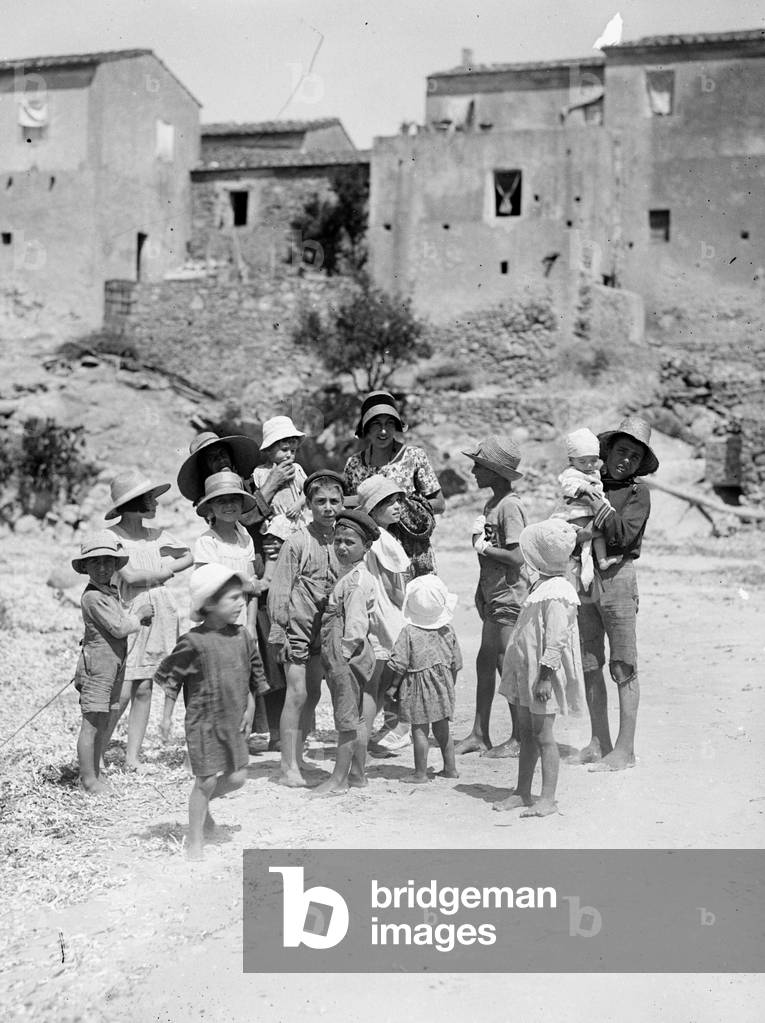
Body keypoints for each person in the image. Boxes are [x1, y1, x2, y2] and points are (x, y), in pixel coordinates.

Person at [155, 565, 268, 860]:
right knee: (205, 780)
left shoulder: (242, 636)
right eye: (232, 599)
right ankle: (195, 840)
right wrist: (166, 716)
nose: (241, 603)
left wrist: (251, 706)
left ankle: (201, 807)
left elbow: (252, 673)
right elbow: (173, 677)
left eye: (241, 597)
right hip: (203, 722)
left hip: (233, 719)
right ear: (208, 605)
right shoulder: (194, 642)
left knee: (239, 776)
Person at [570, 416, 659, 772]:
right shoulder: (586, 482)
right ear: (607, 451)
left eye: (635, 457)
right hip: (585, 576)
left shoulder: (639, 494)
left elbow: (624, 536)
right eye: (622, 451)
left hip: (619, 578)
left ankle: (625, 750)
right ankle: (598, 741)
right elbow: (566, 525)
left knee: (623, 663)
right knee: (590, 662)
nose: (626, 460)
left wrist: (597, 508)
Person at [493, 518, 585, 817]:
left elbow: (557, 639)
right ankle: (522, 791)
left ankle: (547, 797)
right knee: (526, 732)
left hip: (540, 674)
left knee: (545, 736)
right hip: (526, 670)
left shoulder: (559, 592)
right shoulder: (542, 586)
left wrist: (545, 677)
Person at [101, 469, 192, 771]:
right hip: (131, 612)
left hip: (161, 612)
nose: (155, 503)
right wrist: (163, 572)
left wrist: (168, 566)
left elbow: (188, 555)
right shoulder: (113, 538)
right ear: (134, 502)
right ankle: (98, 753)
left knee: (145, 687)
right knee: (123, 688)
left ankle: (131, 757)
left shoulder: (156, 536)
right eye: (150, 498)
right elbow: (130, 576)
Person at [267, 470, 345, 787]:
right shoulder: (298, 542)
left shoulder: (343, 541)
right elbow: (280, 587)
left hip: (324, 630)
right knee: (296, 693)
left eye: (334, 501)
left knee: (313, 694)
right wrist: (278, 627)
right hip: (296, 628)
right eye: (320, 501)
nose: (328, 507)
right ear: (309, 504)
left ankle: (297, 756)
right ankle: (287, 768)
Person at [455, 436, 529, 758]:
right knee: (485, 661)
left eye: (479, 466)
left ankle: (519, 737)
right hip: (493, 593)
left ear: (495, 473)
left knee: (505, 662)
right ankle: (479, 733)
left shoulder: (510, 507)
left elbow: (517, 557)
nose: (473, 471)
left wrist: (485, 547)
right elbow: (488, 555)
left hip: (509, 595)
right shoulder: (492, 505)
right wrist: (481, 584)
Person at [72, 532, 153, 793]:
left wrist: (134, 617)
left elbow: (119, 620)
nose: (103, 567)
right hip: (97, 667)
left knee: (104, 719)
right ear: (85, 567)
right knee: (92, 722)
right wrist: (138, 616)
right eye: (95, 562)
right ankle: (88, 779)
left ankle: (95, 772)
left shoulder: (109, 592)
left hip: (112, 665)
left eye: (108, 561)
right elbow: (118, 627)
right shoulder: (93, 597)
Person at [313, 510, 380, 796]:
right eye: (338, 540)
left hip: (346, 655)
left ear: (365, 547)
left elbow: (354, 624)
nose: (342, 547)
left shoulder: (355, 582)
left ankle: (338, 780)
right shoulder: (350, 575)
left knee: (345, 720)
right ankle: (357, 774)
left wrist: (342, 653)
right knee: (356, 718)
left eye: (349, 542)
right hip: (347, 654)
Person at [343, 391, 443, 576]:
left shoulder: (414, 456)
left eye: (389, 423)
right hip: (371, 550)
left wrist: (404, 505)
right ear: (365, 428)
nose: (383, 431)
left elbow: (439, 503)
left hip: (412, 550)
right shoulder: (354, 464)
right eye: (376, 424)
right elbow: (345, 505)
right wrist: (369, 501)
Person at [386, 575, 462, 783]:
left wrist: (393, 687)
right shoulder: (448, 630)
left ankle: (420, 774)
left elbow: (399, 664)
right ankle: (450, 768)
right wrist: (449, 686)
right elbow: (456, 663)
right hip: (443, 684)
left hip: (416, 688)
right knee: (442, 728)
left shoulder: (408, 632)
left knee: (419, 730)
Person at [355, 474, 411, 753]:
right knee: (386, 679)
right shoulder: (382, 540)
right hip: (389, 613)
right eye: (389, 502)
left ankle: (367, 730)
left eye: (398, 499)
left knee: (378, 681)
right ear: (374, 510)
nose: (398, 505)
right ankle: (397, 726)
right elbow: (394, 587)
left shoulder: (374, 537)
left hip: (378, 612)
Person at [192, 471, 261, 630]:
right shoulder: (208, 542)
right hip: (216, 622)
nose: (229, 505)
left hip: (242, 617)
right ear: (211, 507)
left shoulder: (245, 538)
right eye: (221, 501)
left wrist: (251, 625)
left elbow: (253, 589)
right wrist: (248, 584)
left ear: (242, 504)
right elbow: (208, 589)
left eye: (234, 500)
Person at [555, 427, 620, 589]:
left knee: (597, 536)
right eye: (582, 461)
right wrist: (584, 488)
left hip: (592, 514)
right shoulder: (571, 473)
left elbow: (599, 493)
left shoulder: (595, 473)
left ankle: (602, 560)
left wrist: (606, 506)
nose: (588, 465)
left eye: (593, 460)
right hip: (575, 513)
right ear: (571, 460)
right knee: (578, 540)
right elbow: (567, 487)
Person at [252, 416, 308, 536]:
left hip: (295, 518)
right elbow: (258, 498)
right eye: (284, 450)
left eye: (293, 451)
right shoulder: (260, 472)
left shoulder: (295, 469)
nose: (289, 455)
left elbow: (308, 489)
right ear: (268, 450)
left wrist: (299, 504)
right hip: (274, 521)